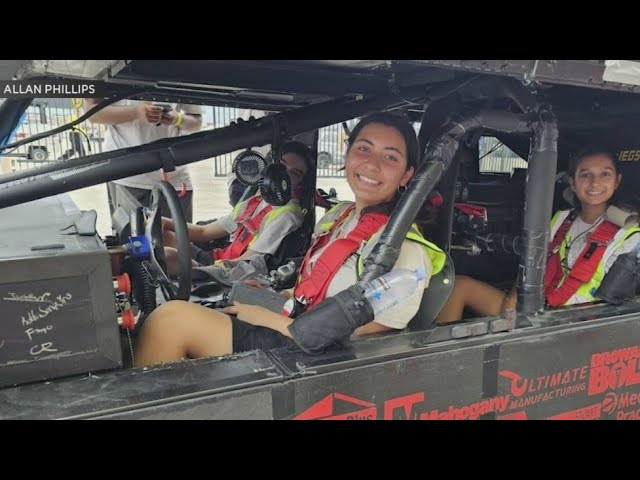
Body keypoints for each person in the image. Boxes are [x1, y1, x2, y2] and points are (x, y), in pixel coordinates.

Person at [133, 111, 447, 367]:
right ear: (348, 154)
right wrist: (273, 296)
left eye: (390, 157)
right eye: (363, 148)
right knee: (195, 300)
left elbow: (370, 338)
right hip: (293, 321)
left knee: (171, 320)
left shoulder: (403, 249)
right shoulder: (339, 216)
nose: (372, 164)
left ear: (407, 175)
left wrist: (266, 317)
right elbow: (312, 288)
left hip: (319, 355)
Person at [436, 147, 640, 323]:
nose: (595, 183)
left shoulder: (629, 236)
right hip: (537, 307)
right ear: (572, 182)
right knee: (459, 285)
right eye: (585, 174)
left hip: (577, 323)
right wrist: (514, 298)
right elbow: (533, 262)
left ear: (617, 181)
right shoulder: (562, 219)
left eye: (605, 174)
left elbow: (613, 308)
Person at [161, 140, 313, 274]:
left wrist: (202, 271)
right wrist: (165, 222)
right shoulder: (256, 200)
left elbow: (246, 263)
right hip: (218, 260)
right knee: (163, 233)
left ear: (300, 183)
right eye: (282, 166)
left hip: (226, 272)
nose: (284, 175)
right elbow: (204, 231)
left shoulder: (287, 215)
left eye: (294, 173)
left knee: (167, 256)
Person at [85, 98, 202, 223]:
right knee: (134, 239)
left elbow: (196, 122)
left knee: (181, 237)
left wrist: (178, 119)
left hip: (175, 176)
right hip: (129, 176)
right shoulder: (107, 79)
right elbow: (93, 114)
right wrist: (136, 112)